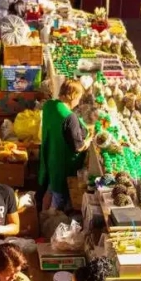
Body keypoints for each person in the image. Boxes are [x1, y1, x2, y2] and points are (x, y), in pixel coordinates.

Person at [39, 80, 91, 213]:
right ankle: (50, 222)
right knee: (58, 199)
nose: (78, 102)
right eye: (78, 98)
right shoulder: (69, 117)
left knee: (50, 189)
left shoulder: (49, 105)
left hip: (50, 159)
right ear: (72, 96)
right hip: (63, 166)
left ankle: (41, 216)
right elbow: (78, 147)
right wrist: (89, 141)